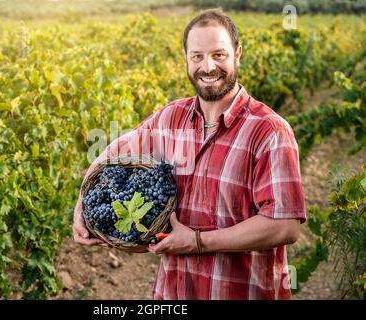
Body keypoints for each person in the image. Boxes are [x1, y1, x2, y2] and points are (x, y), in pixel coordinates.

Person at [73, 8, 306, 300]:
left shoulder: (269, 131)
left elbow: (284, 226)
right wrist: (82, 204)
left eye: (219, 55)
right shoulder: (171, 118)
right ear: (186, 58)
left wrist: (197, 242)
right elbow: (112, 153)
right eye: (197, 56)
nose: (207, 67)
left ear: (238, 54)